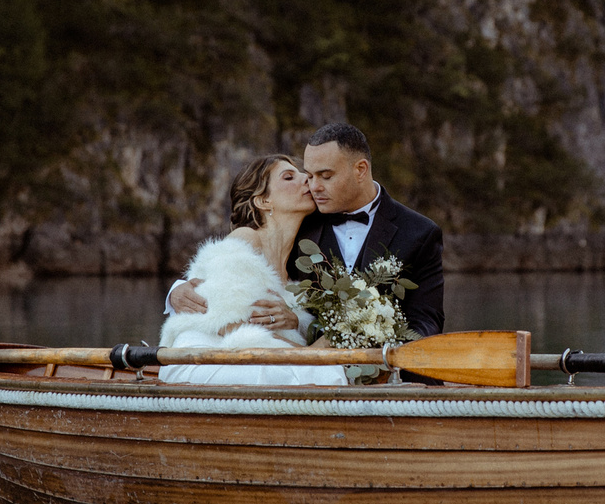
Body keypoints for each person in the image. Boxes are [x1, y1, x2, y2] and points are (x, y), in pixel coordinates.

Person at [169, 123, 445, 342]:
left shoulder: (420, 234)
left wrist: (376, 348)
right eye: (309, 175)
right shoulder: (298, 221)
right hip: (309, 366)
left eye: (325, 176)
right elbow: (229, 268)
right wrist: (176, 292)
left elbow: (426, 322)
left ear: (360, 170)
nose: (313, 186)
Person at [156, 153, 345, 386]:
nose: (307, 178)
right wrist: (313, 353)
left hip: (250, 359)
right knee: (323, 374)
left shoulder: (301, 262)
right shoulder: (246, 239)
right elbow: (225, 321)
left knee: (322, 374)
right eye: (288, 177)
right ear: (263, 201)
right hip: (202, 359)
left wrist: (300, 327)